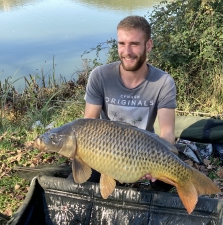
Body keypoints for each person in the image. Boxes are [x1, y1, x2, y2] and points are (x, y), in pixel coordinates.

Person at [74, 15, 177, 191]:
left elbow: (167, 132)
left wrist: (161, 159)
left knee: (166, 182)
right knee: (81, 183)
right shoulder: (100, 76)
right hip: (105, 151)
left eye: (134, 44)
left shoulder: (163, 82)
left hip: (143, 151)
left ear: (148, 45)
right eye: (122, 44)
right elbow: (88, 123)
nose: (127, 51)